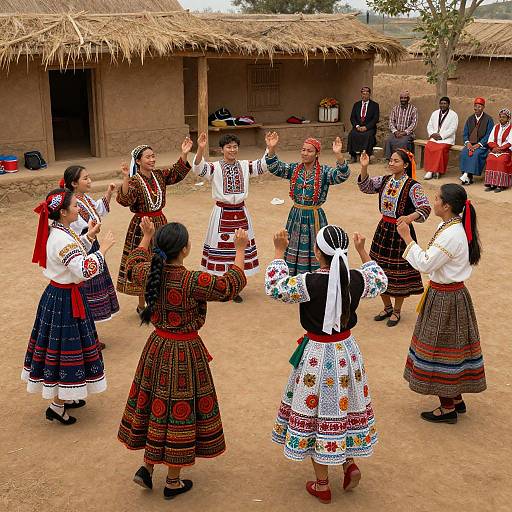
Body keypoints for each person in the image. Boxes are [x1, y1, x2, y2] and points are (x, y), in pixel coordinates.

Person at [118, 217, 248, 500]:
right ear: (186, 249)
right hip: (185, 353)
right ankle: (173, 481)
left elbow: (132, 264)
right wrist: (239, 249)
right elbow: (229, 286)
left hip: (157, 347)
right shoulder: (192, 280)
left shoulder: (150, 273)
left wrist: (145, 236)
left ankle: (148, 467)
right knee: (180, 411)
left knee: (155, 405)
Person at [265, 226, 388, 503]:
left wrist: (278, 251)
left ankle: (322, 484)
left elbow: (274, 286)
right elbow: (379, 279)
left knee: (315, 415)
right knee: (343, 406)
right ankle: (348, 463)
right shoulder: (354, 279)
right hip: (346, 352)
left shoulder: (308, 283)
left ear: (318, 253)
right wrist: (361, 251)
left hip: (317, 356)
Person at [22, 188, 115, 425]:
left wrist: (90, 237)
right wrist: (102, 249)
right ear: (63, 212)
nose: (78, 209)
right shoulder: (61, 237)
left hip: (63, 297)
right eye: (74, 206)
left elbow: (73, 251)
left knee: (67, 350)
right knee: (65, 352)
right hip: (64, 302)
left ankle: (67, 396)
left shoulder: (60, 230)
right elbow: (84, 269)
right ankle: (57, 406)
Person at [398, 183, 486, 424]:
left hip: (445, 298)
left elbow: (426, 264)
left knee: (439, 351)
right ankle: (456, 398)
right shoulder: (450, 225)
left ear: (446, 206)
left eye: (436, 199)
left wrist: (407, 238)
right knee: (452, 349)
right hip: (450, 295)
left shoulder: (451, 234)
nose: (433, 201)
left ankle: (447, 407)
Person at [116, 138, 193, 312]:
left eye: (153, 156)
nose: (152, 160)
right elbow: (125, 200)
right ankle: (142, 305)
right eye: (148, 157)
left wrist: (184, 153)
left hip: (160, 223)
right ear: (138, 161)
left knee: (162, 261)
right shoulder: (135, 181)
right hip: (142, 226)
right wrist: (125, 177)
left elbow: (176, 173)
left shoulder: (159, 175)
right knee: (143, 263)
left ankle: (159, 301)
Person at [358, 149, 431, 326]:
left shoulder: (413, 186)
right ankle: (387, 306)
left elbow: (425, 207)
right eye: (390, 160)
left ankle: (397, 311)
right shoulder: (384, 180)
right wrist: (364, 167)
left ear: (405, 165)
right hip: (383, 229)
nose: (391, 164)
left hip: (401, 232)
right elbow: (366, 186)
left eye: (396, 161)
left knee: (399, 273)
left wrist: (409, 217)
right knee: (379, 268)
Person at [191, 132, 267, 303]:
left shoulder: (244, 165)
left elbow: (263, 165)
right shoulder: (215, 167)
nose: (232, 150)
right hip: (221, 214)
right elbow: (198, 168)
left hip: (240, 213)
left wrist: (271, 147)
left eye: (235, 147)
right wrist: (201, 149)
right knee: (221, 250)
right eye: (228, 147)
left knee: (239, 249)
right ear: (222, 149)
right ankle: (220, 286)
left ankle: (236, 288)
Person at [265, 132, 350, 276]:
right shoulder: (294, 169)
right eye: (303, 150)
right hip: (296, 215)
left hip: (315, 215)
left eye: (309, 151)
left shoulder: (324, 172)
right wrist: (271, 148)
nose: (305, 153)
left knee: (316, 246)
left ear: (317, 154)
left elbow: (342, 175)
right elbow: (275, 167)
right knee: (293, 244)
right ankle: (295, 276)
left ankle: (318, 276)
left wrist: (338, 155)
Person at [61, 166, 119, 350]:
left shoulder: (83, 200)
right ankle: (85, 339)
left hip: (92, 245)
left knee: (88, 294)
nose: (89, 181)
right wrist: (91, 235)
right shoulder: (72, 204)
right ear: (73, 183)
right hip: (83, 248)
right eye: (85, 178)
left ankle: (90, 337)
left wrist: (109, 193)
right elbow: (77, 227)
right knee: (84, 293)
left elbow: (98, 210)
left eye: (89, 177)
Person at [459, 98, 494, 185]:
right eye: (475, 106)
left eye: (479, 106)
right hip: (470, 144)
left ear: (483, 107)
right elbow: (465, 133)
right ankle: (467, 176)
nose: (477, 108)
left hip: (482, 145)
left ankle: (467, 175)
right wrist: (468, 143)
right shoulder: (470, 119)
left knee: (476, 154)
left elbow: (489, 135)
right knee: (464, 153)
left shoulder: (489, 119)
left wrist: (479, 144)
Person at [423, 97, 459, 180]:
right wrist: (432, 134)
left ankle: (437, 171)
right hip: (435, 137)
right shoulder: (435, 113)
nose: (443, 105)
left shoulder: (453, 115)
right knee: (428, 147)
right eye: (441, 103)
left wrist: (441, 136)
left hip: (446, 139)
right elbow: (429, 125)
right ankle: (430, 171)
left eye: (445, 103)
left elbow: (453, 129)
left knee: (440, 149)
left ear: (448, 105)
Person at [347, 87, 380, 163]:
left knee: (368, 135)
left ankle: (366, 156)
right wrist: (357, 126)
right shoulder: (356, 105)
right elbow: (352, 118)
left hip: (369, 127)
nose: (364, 96)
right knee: (352, 134)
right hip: (358, 127)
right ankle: (353, 156)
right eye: (363, 94)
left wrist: (366, 127)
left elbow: (375, 119)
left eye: (366, 94)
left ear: (369, 94)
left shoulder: (375, 105)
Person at [484, 108, 512, 193]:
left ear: (508, 118)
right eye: (500, 117)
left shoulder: (511, 128)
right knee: (490, 159)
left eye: (504, 117)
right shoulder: (496, 127)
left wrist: (500, 148)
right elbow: (490, 140)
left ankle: (501, 185)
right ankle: (491, 184)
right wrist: (495, 148)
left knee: (501, 160)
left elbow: (510, 142)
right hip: (495, 150)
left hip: (506, 151)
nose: (501, 119)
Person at [383, 90, 418, 159]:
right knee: (388, 140)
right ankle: (390, 159)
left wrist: (404, 132)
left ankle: (402, 159)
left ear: (408, 99)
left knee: (403, 142)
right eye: (401, 98)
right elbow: (391, 122)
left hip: (407, 133)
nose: (403, 100)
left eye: (405, 98)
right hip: (396, 132)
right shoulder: (395, 109)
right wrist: (395, 131)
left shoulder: (413, 109)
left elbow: (414, 124)